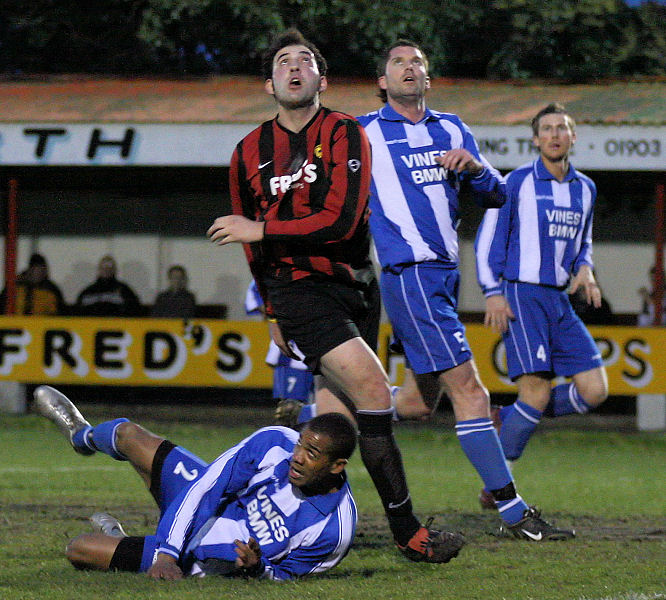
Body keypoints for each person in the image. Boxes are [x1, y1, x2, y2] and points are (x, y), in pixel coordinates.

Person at [207, 29, 464, 563]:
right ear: (269, 84)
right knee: (375, 390)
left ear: (322, 80)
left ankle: (274, 517)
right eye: (283, 61)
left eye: (305, 61)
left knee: (334, 424)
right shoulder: (247, 152)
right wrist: (272, 307)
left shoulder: (346, 132)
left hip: (354, 287)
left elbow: (343, 222)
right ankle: (409, 533)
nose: (294, 67)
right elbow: (253, 250)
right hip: (297, 289)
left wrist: (263, 230)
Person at [356, 40, 573, 540]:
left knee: (414, 404)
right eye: (398, 63)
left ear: (428, 80)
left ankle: (326, 405)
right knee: (471, 393)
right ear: (383, 82)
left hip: (444, 277)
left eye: (418, 64)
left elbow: (497, 194)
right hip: (411, 274)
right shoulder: (363, 132)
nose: (410, 69)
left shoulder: (452, 128)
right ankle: (514, 512)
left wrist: (475, 168)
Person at [33, 384, 358, 581]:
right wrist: (167, 554)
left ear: (337, 466)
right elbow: (207, 487)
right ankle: (82, 434)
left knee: (79, 549)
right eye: (301, 444)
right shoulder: (276, 442)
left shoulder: (334, 530)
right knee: (128, 434)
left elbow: (287, 578)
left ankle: (122, 538)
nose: (298, 456)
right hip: (199, 501)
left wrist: (256, 569)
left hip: (201, 557)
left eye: (312, 453)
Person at [475, 102, 609, 507]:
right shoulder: (515, 182)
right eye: (546, 129)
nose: (554, 135)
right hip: (521, 293)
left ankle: (509, 421)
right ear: (535, 139)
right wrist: (492, 291)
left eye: (561, 128)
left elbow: (583, 241)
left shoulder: (586, 188)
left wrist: (585, 269)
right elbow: (487, 240)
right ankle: (498, 485)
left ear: (573, 137)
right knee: (535, 393)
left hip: (559, 299)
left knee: (594, 391)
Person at [244, 280, 317, 427]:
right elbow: (254, 294)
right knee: (289, 410)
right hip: (292, 354)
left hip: (326, 351)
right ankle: (290, 446)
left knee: (327, 406)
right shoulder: (278, 268)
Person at [74, 255, 142, 317]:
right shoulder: (87, 292)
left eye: (109, 267)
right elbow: (77, 314)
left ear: (115, 270)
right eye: (103, 267)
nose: (106, 270)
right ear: (98, 269)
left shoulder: (125, 291)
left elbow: (135, 312)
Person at [1, 253, 66, 315]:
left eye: (42, 270)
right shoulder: (15, 286)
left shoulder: (51, 289)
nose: (38, 273)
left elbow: (59, 314)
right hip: (14, 324)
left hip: (41, 325)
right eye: (35, 269)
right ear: (29, 269)